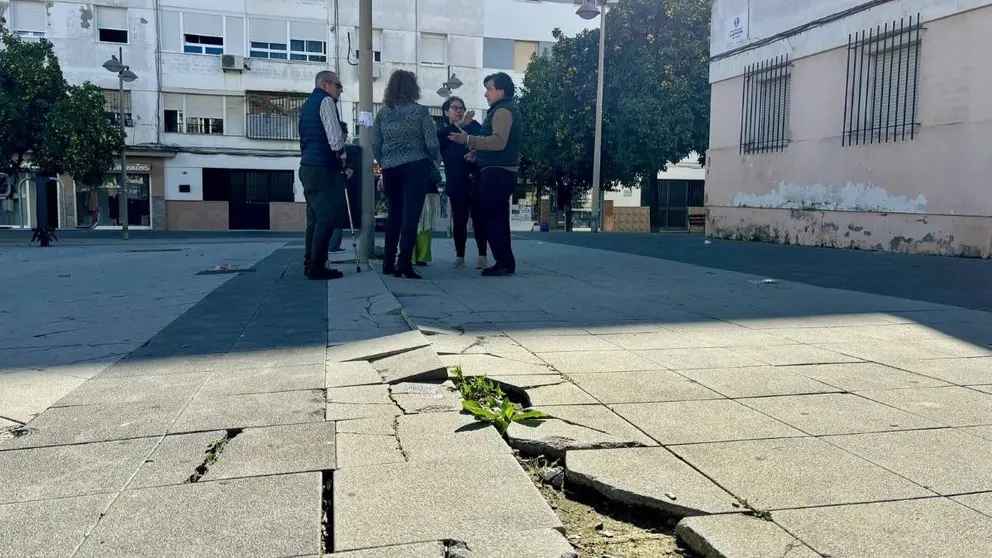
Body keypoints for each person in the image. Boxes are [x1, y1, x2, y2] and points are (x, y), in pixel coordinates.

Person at [449, 72, 522, 277]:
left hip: (498, 172)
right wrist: (478, 153)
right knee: (496, 217)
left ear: (501, 90)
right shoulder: (504, 109)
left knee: (492, 217)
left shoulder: (502, 111)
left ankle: (503, 262)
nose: (486, 93)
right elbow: (497, 143)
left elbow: (499, 141)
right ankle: (505, 261)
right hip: (499, 169)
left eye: (489, 89)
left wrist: (469, 140)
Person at [372, 70, 442, 279]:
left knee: (394, 215)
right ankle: (404, 264)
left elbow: (376, 144)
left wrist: (386, 164)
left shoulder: (383, 114)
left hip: (391, 169)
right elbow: (431, 142)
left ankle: (387, 263)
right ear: (413, 88)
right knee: (411, 218)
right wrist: (435, 161)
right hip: (415, 167)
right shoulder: (420, 112)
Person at [299, 70, 350, 280]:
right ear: (325, 84)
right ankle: (317, 266)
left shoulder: (306, 106)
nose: (340, 91)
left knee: (314, 220)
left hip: (308, 167)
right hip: (322, 168)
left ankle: (309, 263)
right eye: (338, 86)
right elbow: (335, 137)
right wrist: (343, 162)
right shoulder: (325, 101)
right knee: (327, 219)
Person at [437, 96, 487, 269]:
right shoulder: (444, 132)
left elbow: (485, 145)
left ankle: (482, 255)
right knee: (459, 219)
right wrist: (460, 126)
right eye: (455, 108)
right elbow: (440, 139)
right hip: (456, 180)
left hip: (475, 178)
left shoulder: (475, 128)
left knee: (479, 218)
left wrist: (475, 153)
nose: (459, 111)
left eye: (461, 108)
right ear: (446, 112)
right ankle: (460, 255)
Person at [413, 174, 441, 266]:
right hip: (428, 189)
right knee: (425, 225)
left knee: (410, 223)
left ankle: (410, 255)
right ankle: (422, 256)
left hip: (411, 187)